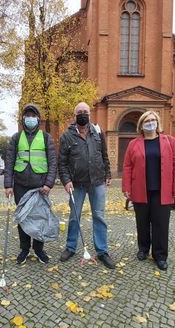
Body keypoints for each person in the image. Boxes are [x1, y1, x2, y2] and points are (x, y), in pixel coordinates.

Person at [122, 111, 175, 271]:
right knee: (142, 223)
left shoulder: (169, 141)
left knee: (161, 224)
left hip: (162, 191)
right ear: (141, 125)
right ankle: (143, 249)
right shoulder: (133, 144)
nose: (150, 123)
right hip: (140, 189)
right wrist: (126, 187)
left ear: (157, 122)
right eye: (146, 121)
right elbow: (127, 166)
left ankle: (160, 255)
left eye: (152, 120)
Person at [58, 102, 116, 269]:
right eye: (79, 112)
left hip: (97, 181)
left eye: (85, 112)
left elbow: (104, 154)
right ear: (74, 116)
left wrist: (108, 173)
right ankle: (70, 247)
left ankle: (102, 251)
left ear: (90, 115)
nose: (83, 114)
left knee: (99, 216)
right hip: (76, 184)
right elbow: (62, 163)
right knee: (74, 217)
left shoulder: (97, 132)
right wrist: (66, 180)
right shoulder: (66, 136)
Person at [4, 104, 57, 264]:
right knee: (23, 218)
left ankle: (39, 249)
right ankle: (24, 249)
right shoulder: (15, 137)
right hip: (20, 185)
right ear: (23, 118)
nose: (30, 118)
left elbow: (52, 162)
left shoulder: (46, 137)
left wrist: (48, 184)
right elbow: (9, 161)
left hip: (40, 186)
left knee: (40, 217)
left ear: (38, 119)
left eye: (33, 115)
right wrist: (8, 184)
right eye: (27, 115)